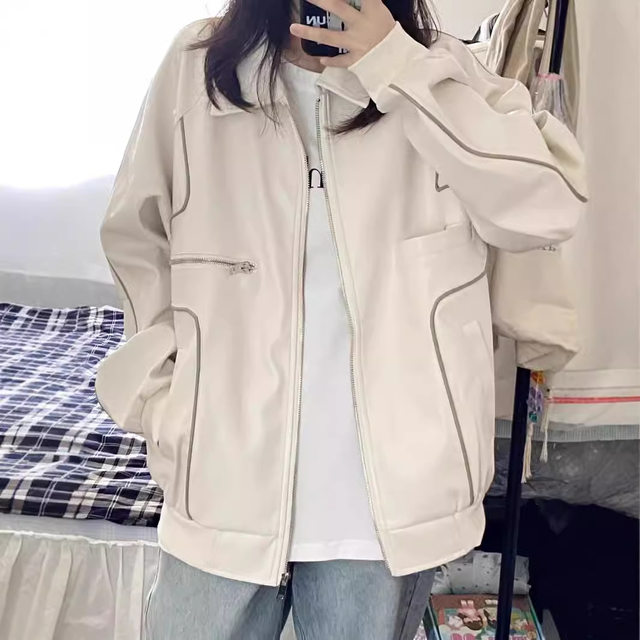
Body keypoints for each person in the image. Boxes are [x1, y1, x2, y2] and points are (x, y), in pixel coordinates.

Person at [94, 0, 588, 638]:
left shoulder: (442, 72)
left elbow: (548, 208)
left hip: (382, 512)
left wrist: (396, 65)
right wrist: (165, 402)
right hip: (222, 483)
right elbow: (138, 240)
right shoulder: (199, 67)